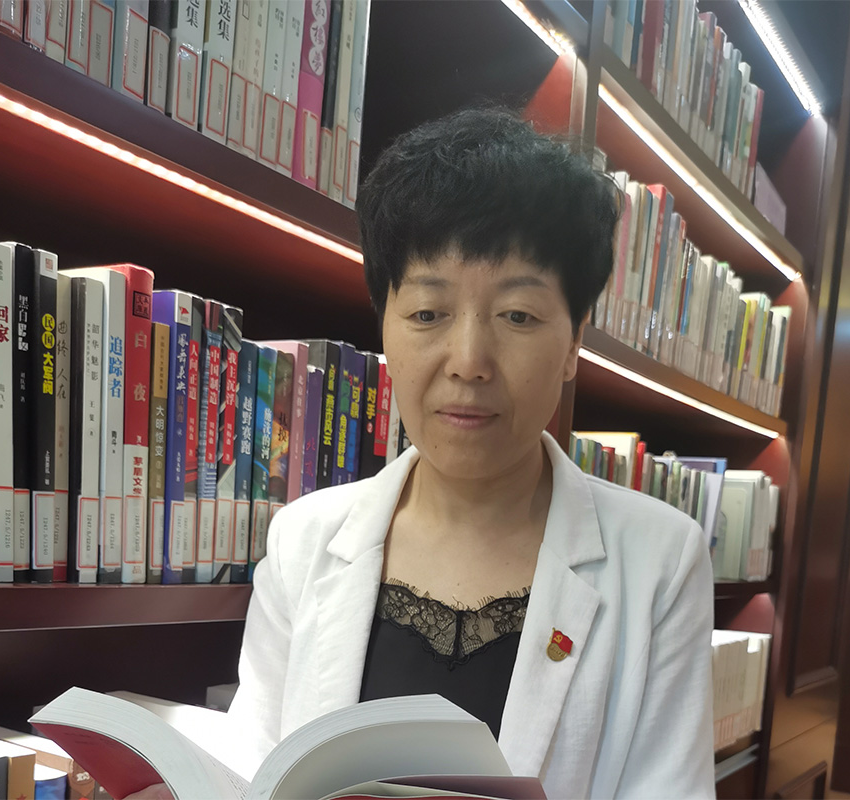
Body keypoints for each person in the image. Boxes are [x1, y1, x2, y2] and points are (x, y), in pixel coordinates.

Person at [133, 107, 715, 799]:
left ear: (573, 344)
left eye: (519, 316)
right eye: (428, 314)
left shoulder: (660, 561)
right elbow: (258, 768)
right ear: (385, 323)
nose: (468, 361)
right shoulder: (303, 540)